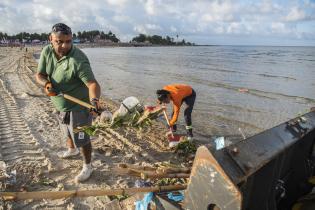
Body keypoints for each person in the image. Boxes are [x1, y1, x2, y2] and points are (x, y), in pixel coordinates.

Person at [35, 23, 101, 182]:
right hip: (59, 103)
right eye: (59, 41)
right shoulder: (46, 51)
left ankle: (88, 166)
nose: (64, 45)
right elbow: (40, 74)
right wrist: (47, 84)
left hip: (79, 105)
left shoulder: (78, 60)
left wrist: (94, 101)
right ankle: (72, 150)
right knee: (66, 128)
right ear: (50, 39)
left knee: (83, 137)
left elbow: (93, 84)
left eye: (69, 41)